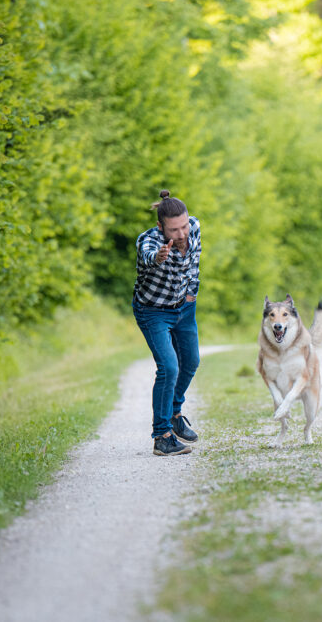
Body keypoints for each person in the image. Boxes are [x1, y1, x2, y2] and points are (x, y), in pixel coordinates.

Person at [132, 190, 201, 456]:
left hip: (184, 306)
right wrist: (160, 257)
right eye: (174, 230)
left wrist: (191, 292)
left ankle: (174, 413)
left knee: (191, 361)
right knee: (169, 367)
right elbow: (149, 256)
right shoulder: (148, 242)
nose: (182, 233)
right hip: (153, 311)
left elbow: (194, 262)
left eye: (183, 226)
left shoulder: (193, 227)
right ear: (161, 226)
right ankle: (161, 436)